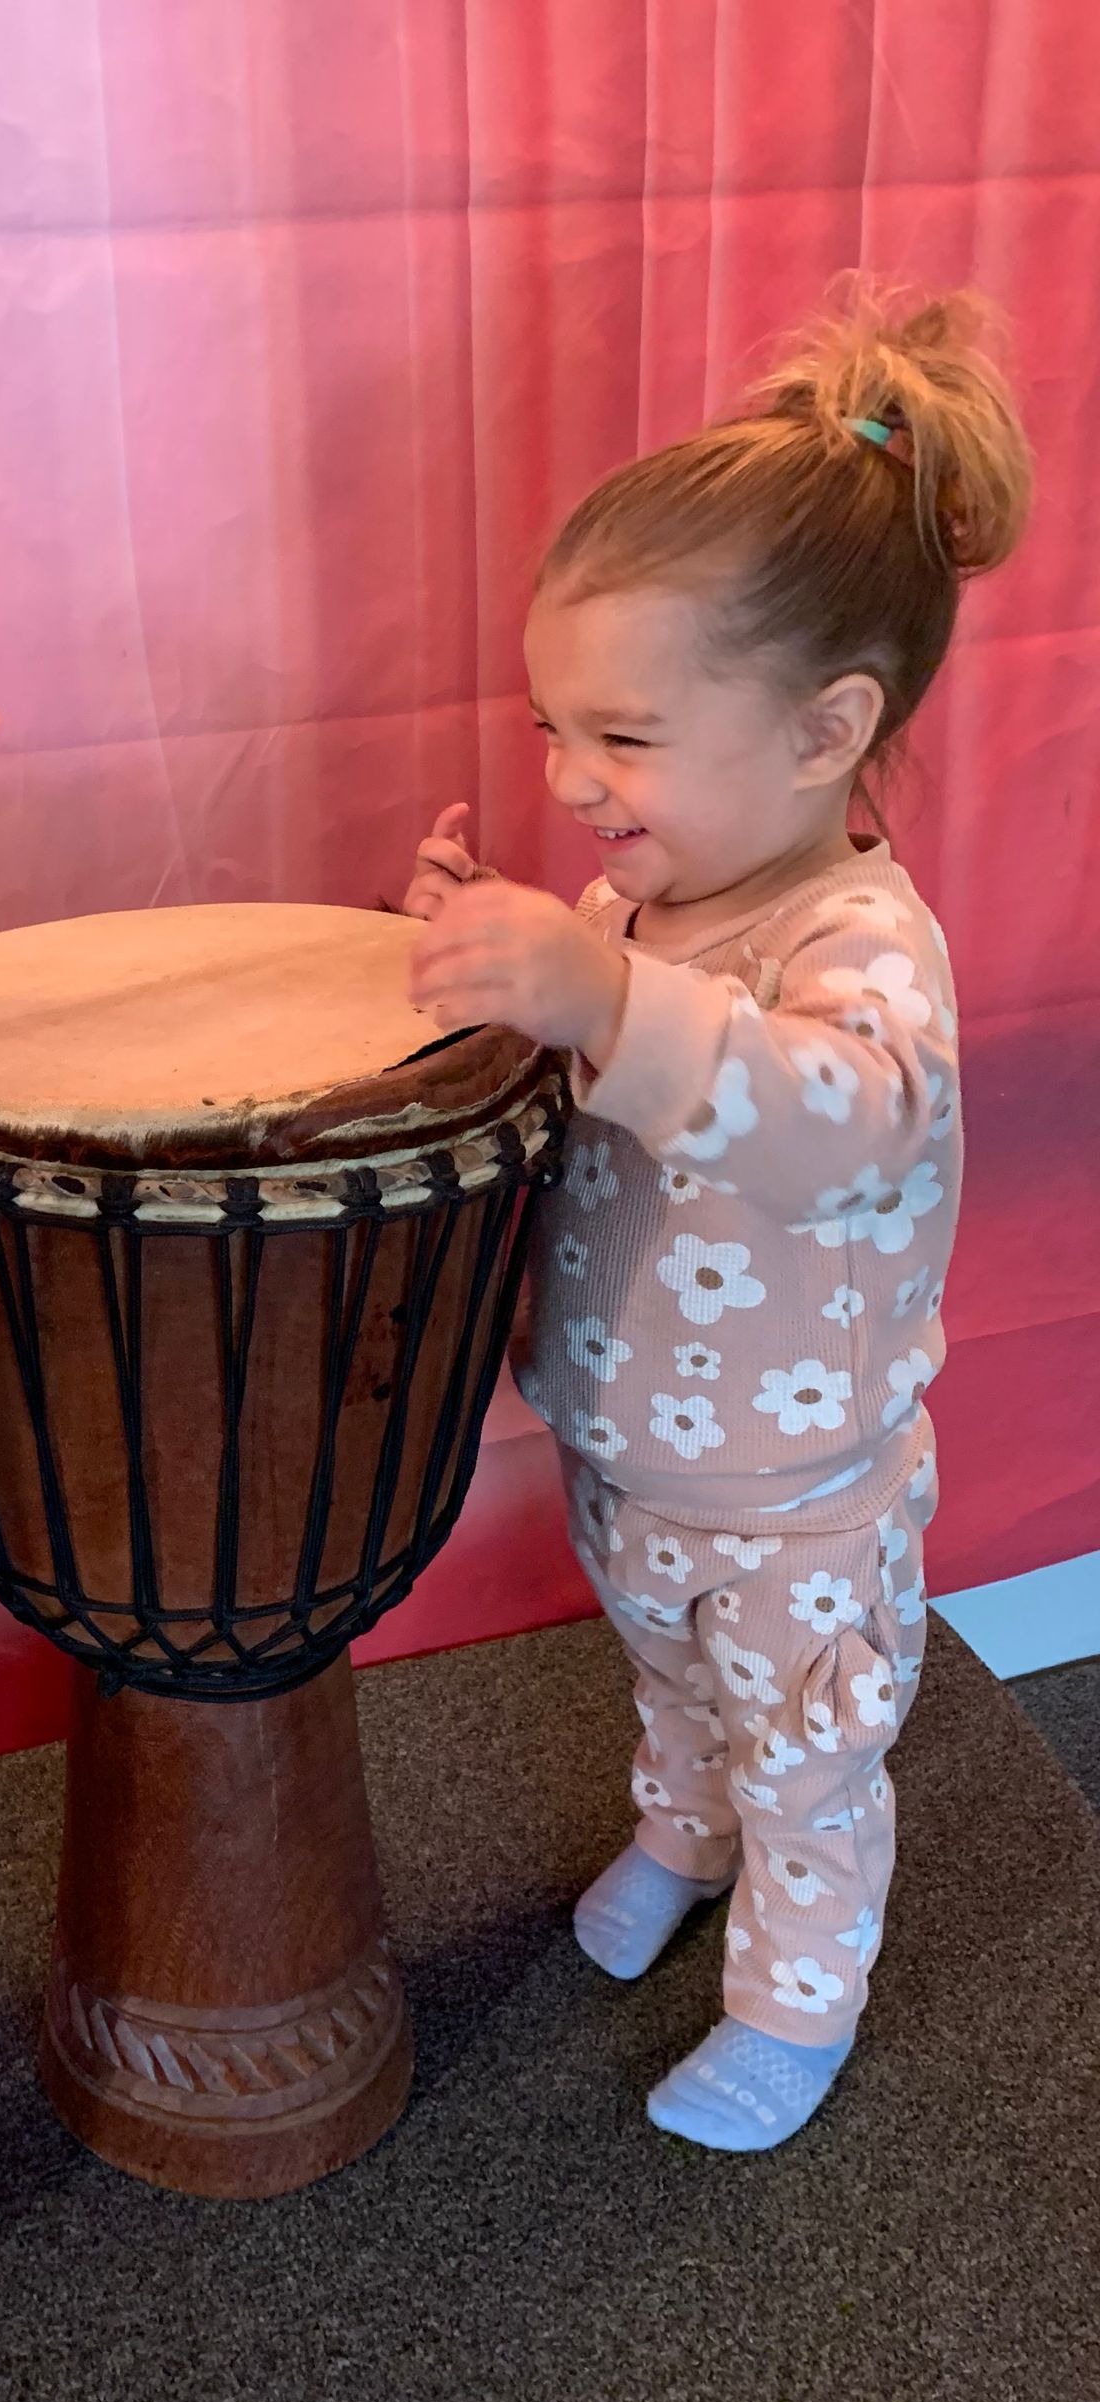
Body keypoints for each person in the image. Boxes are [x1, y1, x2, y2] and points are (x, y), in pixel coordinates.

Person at [402, 287, 1029, 2150]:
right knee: (673, 1675)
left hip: (796, 1485)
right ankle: (679, 1829)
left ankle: (793, 1999)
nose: (575, 782)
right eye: (553, 729)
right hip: (632, 1447)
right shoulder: (638, 921)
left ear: (831, 728)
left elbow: (844, 1125)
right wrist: (490, 951)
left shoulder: (859, 946)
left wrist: (598, 1003)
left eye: (629, 739)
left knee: (813, 1749)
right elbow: (603, 1065)